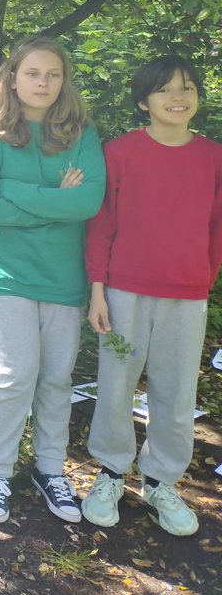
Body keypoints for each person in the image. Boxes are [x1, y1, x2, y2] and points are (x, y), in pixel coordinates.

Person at [0, 35, 104, 525]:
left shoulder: (80, 133)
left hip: (62, 276)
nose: (43, 82)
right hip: (2, 272)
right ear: (12, 78)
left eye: (53, 74)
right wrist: (52, 203)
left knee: (57, 378)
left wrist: (16, 192)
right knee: (15, 372)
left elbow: (86, 203)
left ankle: (49, 469)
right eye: (33, 73)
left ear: (64, 81)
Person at [81, 55, 222, 537]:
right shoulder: (118, 152)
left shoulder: (213, 157)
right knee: (116, 383)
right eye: (164, 90)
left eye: (186, 87)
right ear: (144, 101)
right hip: (122, 291)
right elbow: (101, 226)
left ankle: (161, 478)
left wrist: (201, 279)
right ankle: (111, 471)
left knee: (177, 392)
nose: (177, 97)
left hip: (186, 293)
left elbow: (216, 229)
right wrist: (97, 288)